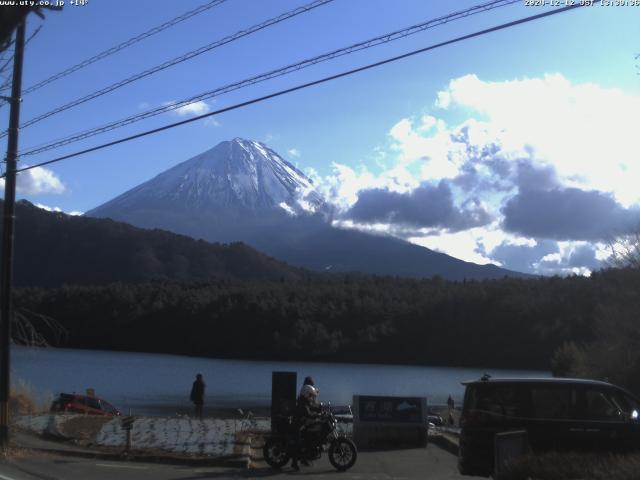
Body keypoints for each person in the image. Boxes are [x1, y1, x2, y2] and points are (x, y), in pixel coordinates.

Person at [291, 376, 321, 471]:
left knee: (308, 438)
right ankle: (294, 463)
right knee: (299, 443)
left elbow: (311, 407)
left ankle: (304, 458)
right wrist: (317, 416)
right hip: (297, 425)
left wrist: (319, 409)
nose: (311, 397)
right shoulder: (302, 403)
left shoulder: (304, 399)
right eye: (310, 395)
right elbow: (307, 412)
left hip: (302, 424)